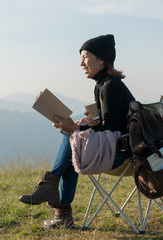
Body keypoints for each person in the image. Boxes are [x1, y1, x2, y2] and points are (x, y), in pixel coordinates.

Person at [19, 34, 135, 229]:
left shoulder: (111, 86)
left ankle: (56, 199)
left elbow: (112, 130)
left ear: (102, 59)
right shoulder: (102, 85)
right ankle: (56, 197)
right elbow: (107, 125)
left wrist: (75, 128)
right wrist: (82, 125)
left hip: (123, 154)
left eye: (85, 57)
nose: (81, 63)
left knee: (73, 138)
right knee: (73, 139)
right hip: (114, 147)